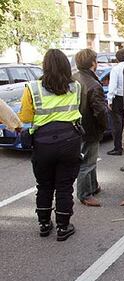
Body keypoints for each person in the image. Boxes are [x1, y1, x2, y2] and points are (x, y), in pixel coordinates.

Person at [17, 49, 82, 241]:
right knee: (64, 186)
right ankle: (63, 227)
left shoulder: (32, 88)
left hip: (43, 143)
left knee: (44, 185)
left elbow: (25, 118)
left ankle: (44, 224)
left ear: (45, 66)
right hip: (70, 141)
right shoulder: (76, 87)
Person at [73, 49, 108, 207]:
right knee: (88, 162)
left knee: (90, 160)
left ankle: (93, 186)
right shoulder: (93, 84)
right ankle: (85, 194)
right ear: (93, 63)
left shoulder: (74, 78)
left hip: (76, 126)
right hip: (89, 128)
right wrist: (104, 126)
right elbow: (100, 111)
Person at [107, 48, 124, 156]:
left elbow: (113, 86)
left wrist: (110, 100)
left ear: (117, 58)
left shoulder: (116, 69)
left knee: (116, 125)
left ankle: (118, 148)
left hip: (118, 98)